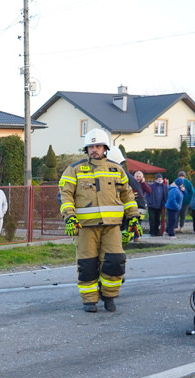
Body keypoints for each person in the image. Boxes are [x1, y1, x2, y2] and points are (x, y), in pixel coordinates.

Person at [58, 129, 139, 313]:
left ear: (105, 148)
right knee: (87, 264)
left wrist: (134, 217)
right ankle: (90, 300)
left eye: (98, 146)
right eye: (91, 146)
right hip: (85, 227)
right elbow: (66, 195)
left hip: (112, 226)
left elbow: (127, 195)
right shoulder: (74, 169)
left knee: (116, 261)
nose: (94, 149)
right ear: (86, 149)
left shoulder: (116, 169)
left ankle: (109, 296)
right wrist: (69, 217)